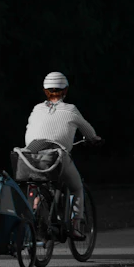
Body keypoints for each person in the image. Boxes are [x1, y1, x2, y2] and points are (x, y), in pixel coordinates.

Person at [24, 71, 101, 239]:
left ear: (45, 91)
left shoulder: (37, 108)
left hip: (30, 157)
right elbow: (89, 132)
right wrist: (93, 139)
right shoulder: (71, 110)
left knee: (38, 184)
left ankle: (36, 214)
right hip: (56, 157)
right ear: (65, 90)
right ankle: (75, 226)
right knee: (76, 188)